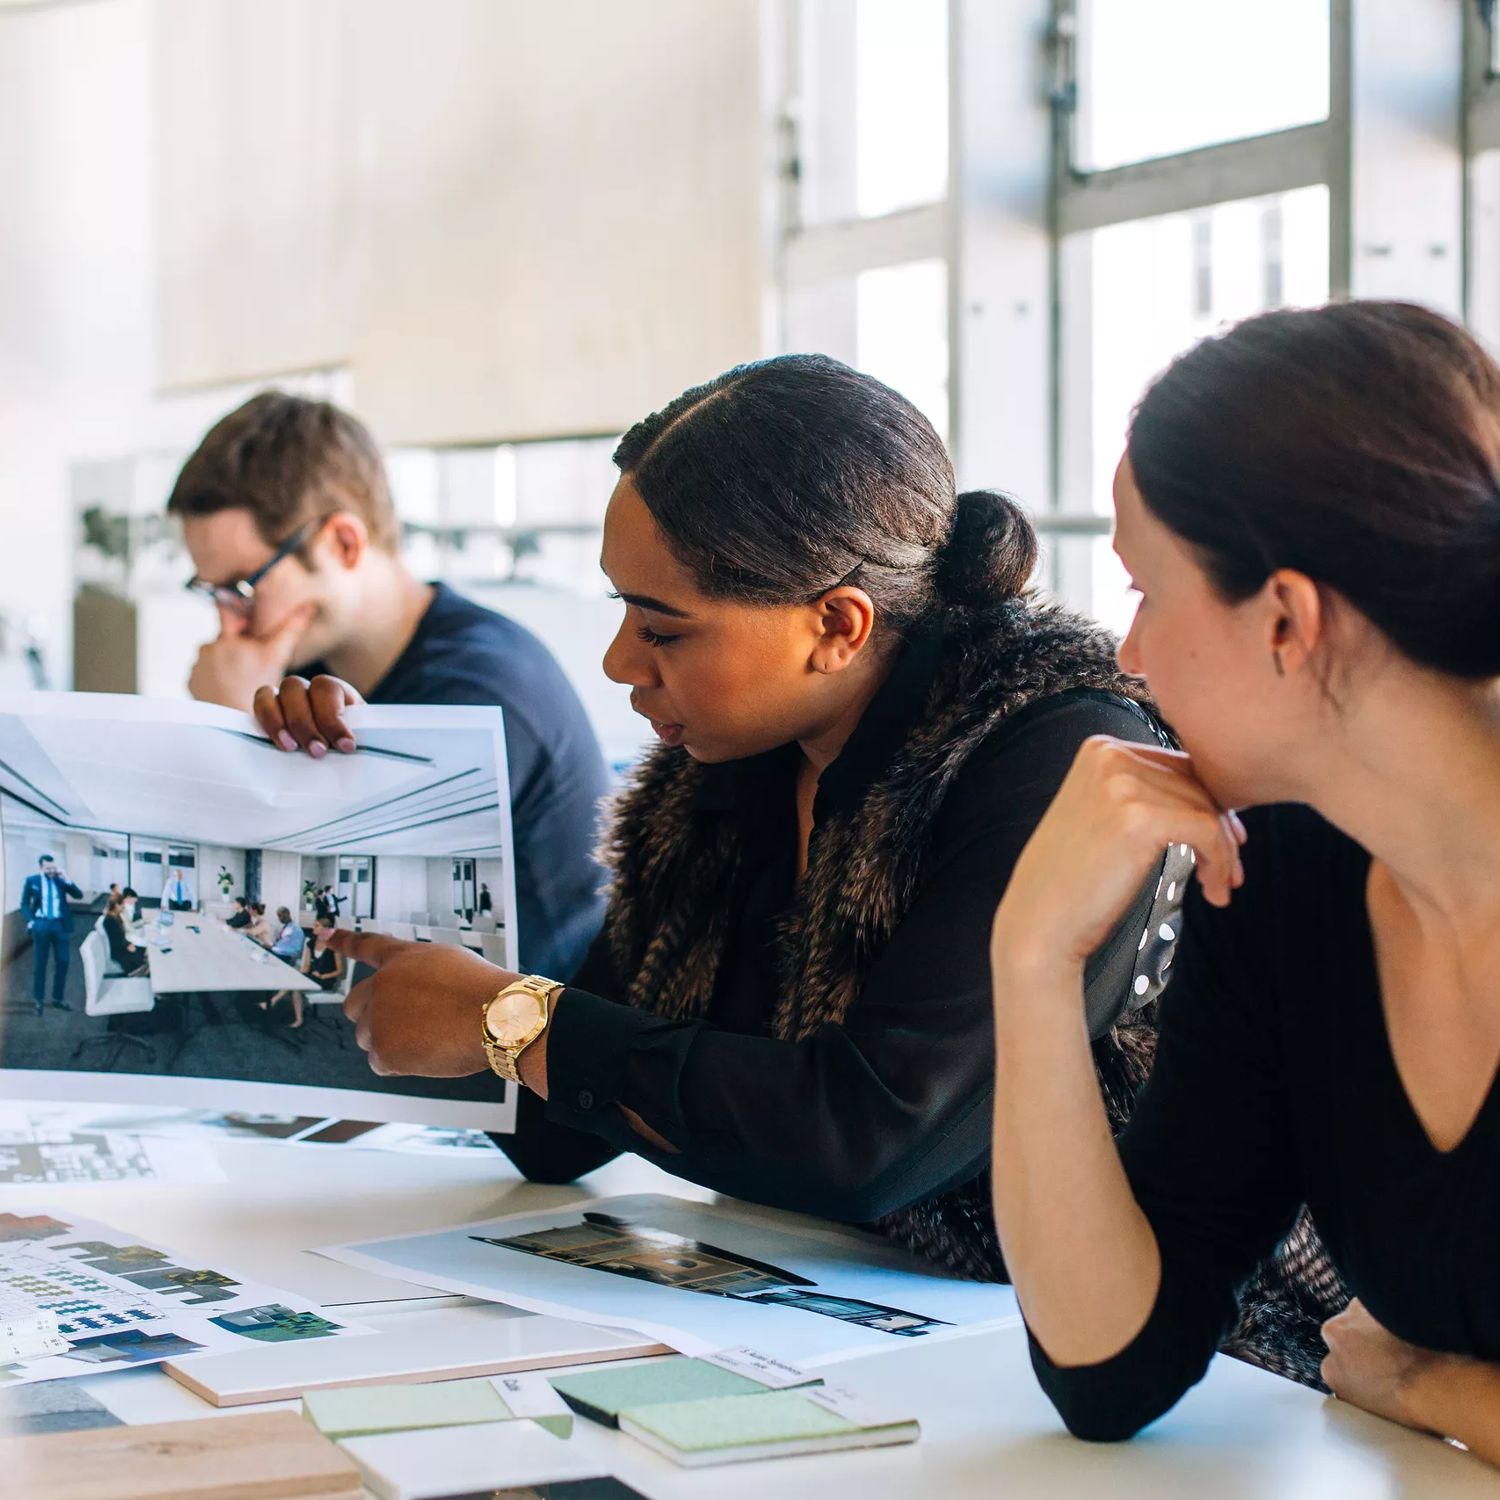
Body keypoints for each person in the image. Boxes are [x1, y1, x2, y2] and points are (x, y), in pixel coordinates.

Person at [255, 353, 1189, 1286]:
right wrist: (356, 809)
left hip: (1153, 1345)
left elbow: (869, 1142)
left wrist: (516, 1021)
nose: (621, 662)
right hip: (827, 1306)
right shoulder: (724, 771)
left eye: (662, 629)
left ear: (838, 626)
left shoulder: (1056, 758)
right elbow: (558, 1134)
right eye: (624, 612)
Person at [987, 301, 1500, 1466]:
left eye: (1147, 592)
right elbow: (1111, 1366)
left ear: (1285, 619)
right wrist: (1031, 958)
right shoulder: (1287, 875)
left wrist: (1431, 1386)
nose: (1128, 656)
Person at [168, 391, 611, 981]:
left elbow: (316, 905)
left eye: (243, 589)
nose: (228, 624)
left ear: (344, 543)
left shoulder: (479, 691)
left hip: (530, 1047)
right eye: (213, 593)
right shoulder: (318, 669)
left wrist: (230, 726)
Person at [21, 855, 82, 1016]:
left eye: (53, 868)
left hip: (59, 925)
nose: (51, 871)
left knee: (63, 961)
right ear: (41, 867)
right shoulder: (32, 881)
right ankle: (38, 1000)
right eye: (48, 868)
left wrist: (67, 878)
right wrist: (31, 921)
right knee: (40, 964)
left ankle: (58, 998)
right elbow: (25, 904)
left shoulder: (60, 880)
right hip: (41, 924)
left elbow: (78, 895)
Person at [101, 893, 149, 978]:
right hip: (119, 952)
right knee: (139, 956)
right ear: (116, 905)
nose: (124, 906)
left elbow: (120, 937)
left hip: (123, 945)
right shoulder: (110, 921)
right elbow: (116, 941)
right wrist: (128, 946)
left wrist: (129, 944)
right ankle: (142, 973)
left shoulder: (116, 916)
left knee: (144, 950)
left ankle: (146, 970)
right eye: (122, 904)